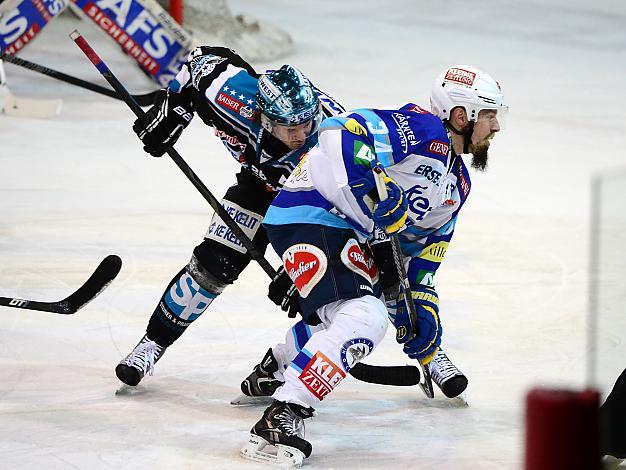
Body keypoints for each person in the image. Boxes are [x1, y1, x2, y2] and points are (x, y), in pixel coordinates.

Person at [239, 65, 507, 467]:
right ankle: (284, 415)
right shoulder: (421, 130)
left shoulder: (457, 185)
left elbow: (421, 255)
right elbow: (338, 132)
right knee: (366, 316)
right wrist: (367, 181)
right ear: (460, 115)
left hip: (346, 232)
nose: (497, 126)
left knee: (352, 309)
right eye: (489, 115)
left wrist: (423, 305)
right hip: (311, 209)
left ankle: (274, 368)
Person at [115, 46, 345, 387]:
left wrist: (308, 263)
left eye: (306, 123)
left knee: (331, 289)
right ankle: (151, 344)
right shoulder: (233, 96)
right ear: (265, 119)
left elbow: (355, 212)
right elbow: (198, 62)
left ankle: (280, 367)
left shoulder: (335, 141)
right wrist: (174, 107)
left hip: (313, 208)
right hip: (258, 187)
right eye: (289, 129)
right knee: (211, 267)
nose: (300, 135)